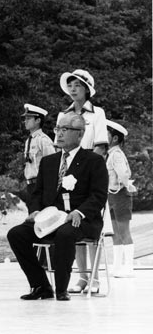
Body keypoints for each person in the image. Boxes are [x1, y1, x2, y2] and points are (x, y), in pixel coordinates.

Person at [7, 113, 108, 301]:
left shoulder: (94, 161)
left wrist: (79, 212)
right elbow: (37, 193)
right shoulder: (49, 162)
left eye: (65, 130)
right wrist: (35, 211)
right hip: (50, 220)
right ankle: (41, 285)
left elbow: (99, 195)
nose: (59, 134)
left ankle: (62, 288)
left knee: (65, 233)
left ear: (80, 134)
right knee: (16, 234)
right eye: (58, 129)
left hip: (81, 220)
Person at [57, 69, 108, 294]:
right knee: (72, 220)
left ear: (87, 88)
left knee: (90, 218)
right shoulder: (63, 115)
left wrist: (86, 166)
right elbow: (59, 145)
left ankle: (94, 277)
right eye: (71, 85)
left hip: (90, 170)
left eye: (77, 85)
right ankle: (82, 277)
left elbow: (100, 145)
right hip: (68, 173)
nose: (73, 89)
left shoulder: (97, 113)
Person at [106, 120, 137, 278]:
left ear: (115, 139)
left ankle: (129, 267)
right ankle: (117, 266)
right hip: (111, 195)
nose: (105, 136)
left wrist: (127, 185)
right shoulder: (111, 153)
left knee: (124, 231)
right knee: (115, 233)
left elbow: (123, 173)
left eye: (108, 134)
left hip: (120, 194)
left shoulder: (116, 154)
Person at [22, 104, 55, 200]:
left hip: (41, 185)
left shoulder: (43, 140)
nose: (25, 121)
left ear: (38, 120)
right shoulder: (29, 140)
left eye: (28, 118)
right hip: (30, 185)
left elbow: (53, 163)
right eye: (25, 119)